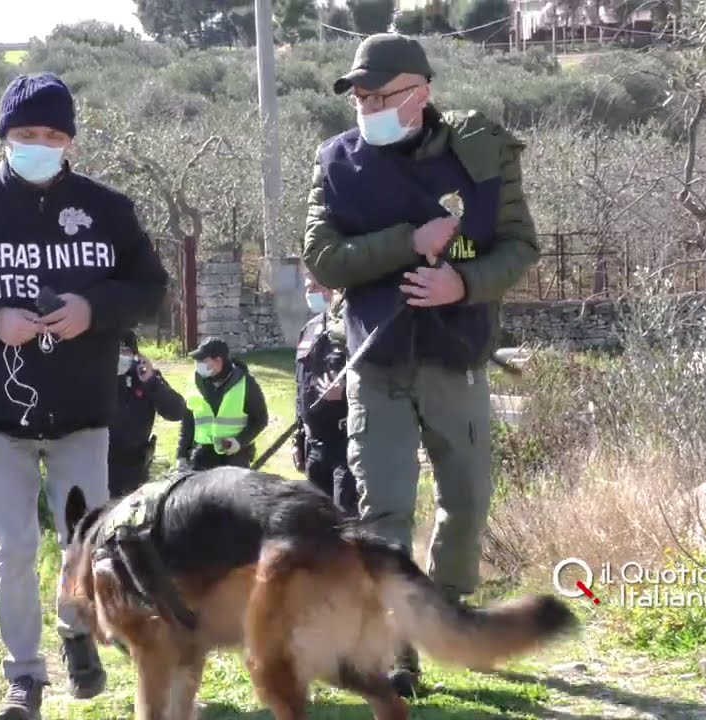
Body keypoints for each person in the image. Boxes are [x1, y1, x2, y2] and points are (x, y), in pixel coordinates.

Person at [0, 71, 169, 720]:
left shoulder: (109, 209)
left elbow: (151, 288)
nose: (40, 144)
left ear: (70, 140)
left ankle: (75, 630)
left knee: (85, 543)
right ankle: (23, 678)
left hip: (83, 412)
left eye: (53, 134)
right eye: (26, 133)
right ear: (5, 135)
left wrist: (93, 309)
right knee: (13, 549)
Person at [301, 33, 541, 697]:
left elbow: (521, 247)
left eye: (382, 97)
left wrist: (461, 283)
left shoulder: (480, 151)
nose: (368, 109)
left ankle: (446, 614)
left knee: (466, 501)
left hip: (454, 355)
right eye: (360, 98)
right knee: (384, 509)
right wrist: (408, 242)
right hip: (375, 361)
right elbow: (323, 258)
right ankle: (398, 648)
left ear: (422, 92)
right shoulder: (336, 160)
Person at [292, 270, 356, 515]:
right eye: (307, 288)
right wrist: (298, 439)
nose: (309, 293)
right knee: (317, 520)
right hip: (314, 445)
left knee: (345, 518)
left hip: (345, 443)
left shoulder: (353, 327)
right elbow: (300, 387)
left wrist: (345, 390)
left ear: (333, 290)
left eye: (315, 288)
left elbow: (373, 376)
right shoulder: (309, 329)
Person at [108, 329, 186, 498]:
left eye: (125, 351)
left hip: (135, 465)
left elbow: (177, 411)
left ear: (135, 355)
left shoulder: (146, 377)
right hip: (102, 462)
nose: (120, 356)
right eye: (115, 351)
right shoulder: (99, 378)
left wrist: (151, 382)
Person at [175, 337, 269, 471]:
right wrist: (182, 455)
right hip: (202, 455)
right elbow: (188, 421)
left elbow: (260, 419)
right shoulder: (194, 382)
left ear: (218, 361)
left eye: (202, 361)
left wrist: (239, 441)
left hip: (235, 455)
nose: (197, 364)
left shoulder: (246, 383)